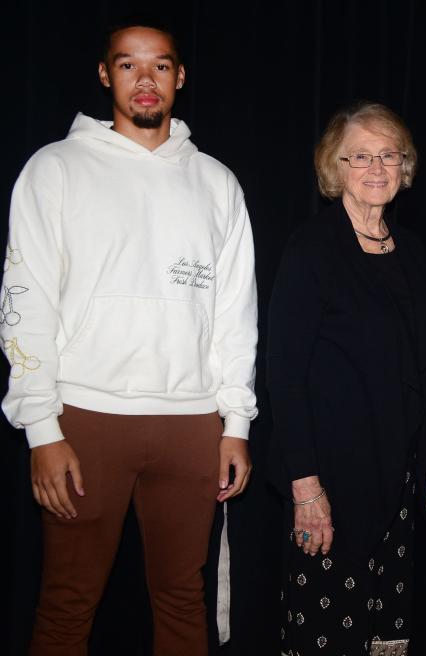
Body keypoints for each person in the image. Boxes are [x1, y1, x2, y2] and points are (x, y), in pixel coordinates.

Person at [1, 19, 258, 655]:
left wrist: (236, 425)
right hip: (85, 422)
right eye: (128, 65)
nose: (145, 80)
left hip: (191, 425)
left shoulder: (217, 183)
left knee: (181, 598)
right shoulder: (54, 170)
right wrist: (42, 428)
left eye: (160, 66)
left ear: (180, 77)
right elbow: (24, 301)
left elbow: (236, 314)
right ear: (104, 73)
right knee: (67, 603)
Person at [268, 101, 426, 656]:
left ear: (405, 165)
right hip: (329, 486)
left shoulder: (413, 251)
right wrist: (305, 487)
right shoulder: (312, 248)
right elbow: (285, 371)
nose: (377, 168)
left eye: (389, 155)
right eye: (361, 156)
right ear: (335, 167)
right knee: (329, 634)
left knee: (385, 634)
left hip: (397, 483)